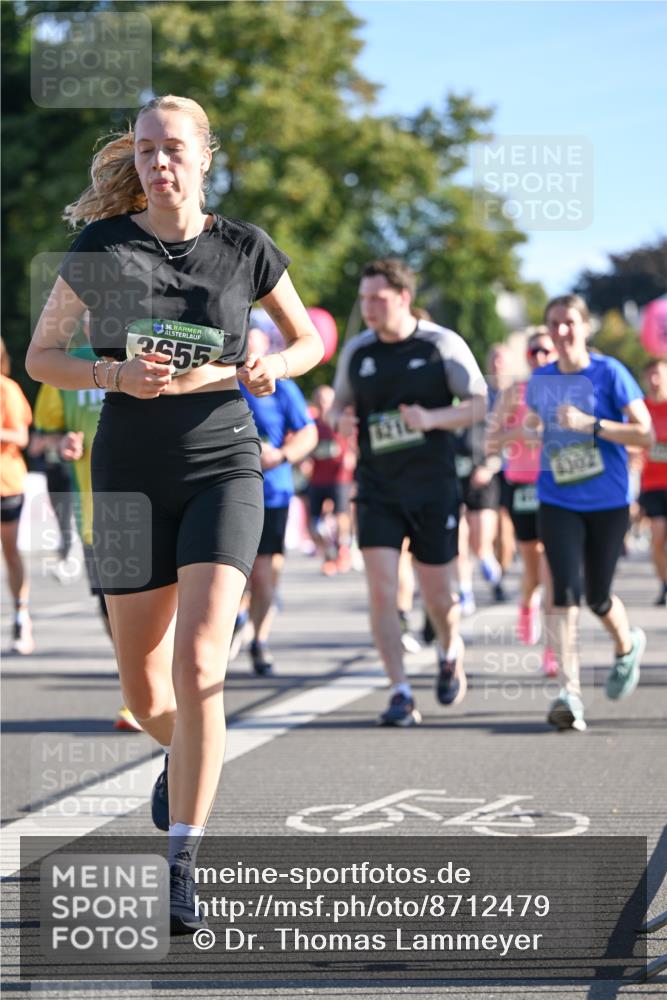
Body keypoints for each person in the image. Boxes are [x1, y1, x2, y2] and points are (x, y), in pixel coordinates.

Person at [26, 94, 323, 933]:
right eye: (147, 149)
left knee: (199, 666)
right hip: (127, 474)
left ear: (204, 157)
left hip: (223, 466)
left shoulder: (245, 248)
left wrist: (273, 365)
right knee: (146, 691)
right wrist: (113, 375)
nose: (159, 163)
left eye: (174, 149)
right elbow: (42, 356)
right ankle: (180, 755)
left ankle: (183, 862)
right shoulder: (102, 247)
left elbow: (307, 340)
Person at [331, 258, 487, 726]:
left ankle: (450, 649)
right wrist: (340, 420)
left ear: (403, 297)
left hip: (432, 487)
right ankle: (399, 691)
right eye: (364, 299)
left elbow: (480, 404)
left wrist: (432, 418)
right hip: (377, 488)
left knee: (437, 595)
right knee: (382, 591)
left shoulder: (441, 344)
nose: (368, 307)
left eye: (377, 298)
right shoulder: (358, 350)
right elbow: (337, 406)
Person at [525, 294, 653, 731]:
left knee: (598, 596)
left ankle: (626, 644)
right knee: (564, 591)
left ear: (585, 326)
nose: (561, 332)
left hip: (607, 502)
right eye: (554, 324)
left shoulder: (609, 372)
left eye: (569, 322)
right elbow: (534, 427)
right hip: (557, 499)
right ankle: (569, 693)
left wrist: (591, 425)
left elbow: (644, 434)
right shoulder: (540, 379)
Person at [238, 326, 318, 674]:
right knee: (231, 573)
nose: (249, 356)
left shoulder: (281, 385)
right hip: (225, 490)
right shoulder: (220, 381)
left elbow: (308, 432)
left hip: (271, 492)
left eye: (255, 347)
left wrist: (282, 455)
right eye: (243, 346)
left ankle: (259, 640)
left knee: (263, 575)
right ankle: (234, 621)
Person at [486, 328, 559, 676]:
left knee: (552, 569)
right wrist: (518, 433)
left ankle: (553, 649)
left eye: (546, 351)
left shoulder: (569, 390)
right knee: (534, 569)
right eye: (534, 352)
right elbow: (489, 441)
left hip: (558, 486)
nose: (540, 358)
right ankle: (527, 605)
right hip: (523, 487)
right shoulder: (515, 393)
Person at [1, 338, 34, 655]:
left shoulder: (7, 389)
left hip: (6, 484)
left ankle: (21, 614)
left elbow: (22, 436)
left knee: (10, 553)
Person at [307, 384, 355, 575]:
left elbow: (354, 440)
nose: (324, 404)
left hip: (340, 477)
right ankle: (328, 554)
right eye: (320, 400)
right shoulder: (311, 424)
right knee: (313, 525)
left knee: (341, 515)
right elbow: (305, 445)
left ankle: (343, 550)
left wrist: (351, 455)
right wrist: (305, 460)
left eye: (327, 400)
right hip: (317, 478)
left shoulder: (341, 420)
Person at [638, 358, 667, 606]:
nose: (655, 380)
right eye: (651, 375)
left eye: (659, 374)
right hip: (652, 485)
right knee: (657, 539)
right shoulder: (641, 408)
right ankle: (664, 583)